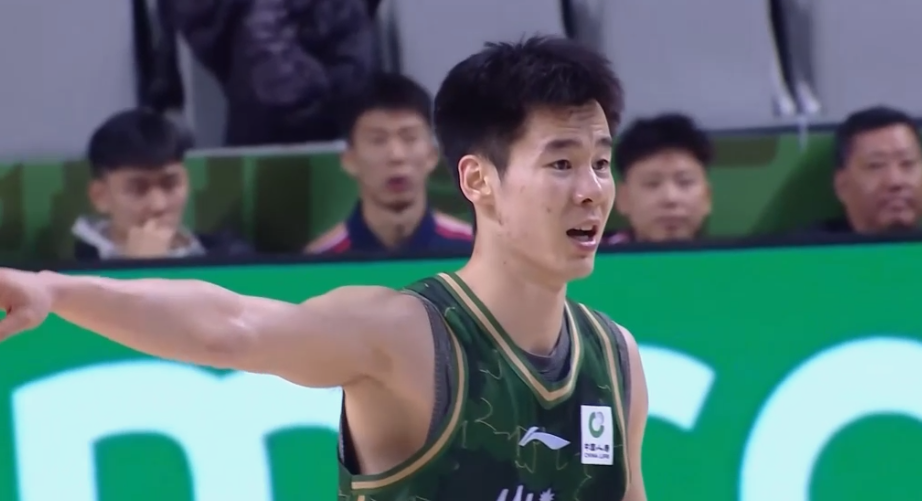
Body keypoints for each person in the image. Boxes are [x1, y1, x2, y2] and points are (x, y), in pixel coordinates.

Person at [0, 36, 648, 501]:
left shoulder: (615, 358)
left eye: (600, 161)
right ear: (479, 180)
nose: (592, 189)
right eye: (561, 164)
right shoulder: (405, 335)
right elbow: (230, 326)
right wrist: (57, 289)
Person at [305, 72, 472, 255]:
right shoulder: (321, 259)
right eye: (378, 140)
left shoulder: (472, 250)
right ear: (348, 159)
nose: (396, 155)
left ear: (432, 155)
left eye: (409, 138)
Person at [73, 109, 251, 260]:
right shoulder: (71, 273)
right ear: (100, 196)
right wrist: (139, 270)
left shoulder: (231, 256)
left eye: (170, 184)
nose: (158, 205)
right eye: (137, 189)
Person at [813, 105, 922, 235]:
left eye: (907, 163)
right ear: (842, 186)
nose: (895, 181)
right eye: (876, 165)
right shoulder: (807, 246)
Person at [605, 113, 712, 244]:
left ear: (707, 197)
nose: (670, 198)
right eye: (652, 183)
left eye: (685, 182)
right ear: (623, 199)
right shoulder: (592, 255)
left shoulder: (728, 255)